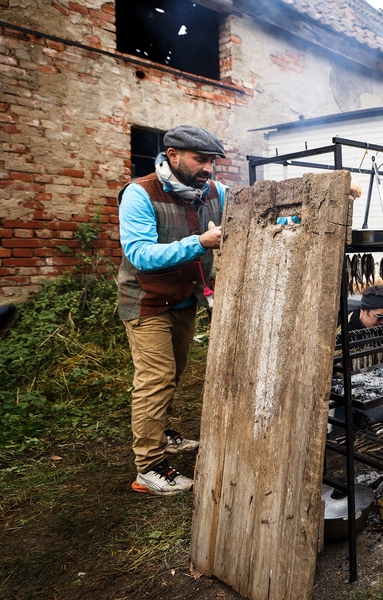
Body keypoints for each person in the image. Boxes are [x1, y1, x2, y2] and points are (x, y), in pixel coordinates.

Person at [117, 125, 227, 496]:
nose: (209, 169)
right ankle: (148, 467)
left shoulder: (214, 191)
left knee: (175, 371)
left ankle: (162, 432)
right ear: (173, 156)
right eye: (201, 160)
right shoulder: (139, 193)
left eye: (212, 161)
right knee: (156, 378)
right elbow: (140, 255)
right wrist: (199, 243)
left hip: (184, 298)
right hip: (146, 300)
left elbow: (251, 212)